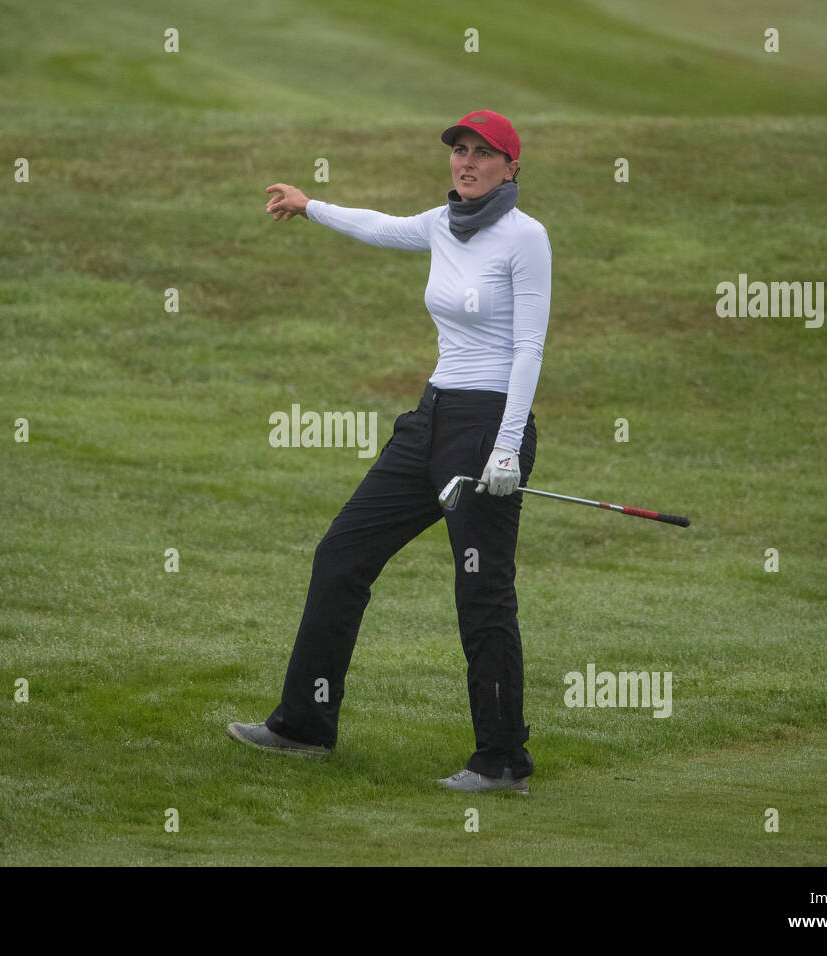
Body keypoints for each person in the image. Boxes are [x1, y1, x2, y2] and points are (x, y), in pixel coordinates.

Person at [228, 110, 552, 793]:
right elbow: (379, 226)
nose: (466, 162)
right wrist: (309, 206)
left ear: (511, 167)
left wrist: (506, 449)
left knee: (482, 590)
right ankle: (305, 724)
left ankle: (502, 760)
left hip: (489, 424)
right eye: (459, 151)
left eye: (483, 154)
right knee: (343, 552)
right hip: (431, 420)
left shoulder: (526, 238)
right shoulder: (441, 224)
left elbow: (528, 349)